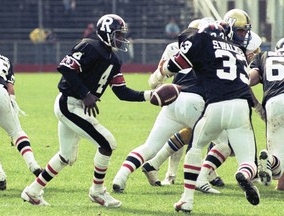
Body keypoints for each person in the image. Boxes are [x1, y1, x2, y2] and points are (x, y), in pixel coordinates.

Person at [21, 14, 152, 207]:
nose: (121, 39)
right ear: (106, 33)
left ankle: (32, 191)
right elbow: (66, 68)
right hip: (69, 103)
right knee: (107, 143)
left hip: (78, 106)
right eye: (118, 34)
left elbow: (122, 92)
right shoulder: (89, 46)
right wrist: (85, 94)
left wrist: (150, 95)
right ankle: (98, 191)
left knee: (66, 156)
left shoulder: (114, 60)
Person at [158, 20, 260, 213]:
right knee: (248, 161)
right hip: (240, 107)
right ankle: (243, 174)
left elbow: (173, 67)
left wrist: (162, 71)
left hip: (214, 105)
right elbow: (245, 80)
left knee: (195, 148)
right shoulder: (237, 49)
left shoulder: (201, 40)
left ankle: (187, 199)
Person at [112, 19, 206, 193]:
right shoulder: (212, 50)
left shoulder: (174, 48)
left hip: (172, 100)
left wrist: (162, 89)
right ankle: (203, 178)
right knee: (220, 141)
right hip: (196, 101)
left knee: (150, 146)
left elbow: (154, 80)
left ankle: (121, 176)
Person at [0, 48, 42, 190]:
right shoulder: (5, 59)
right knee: (16, 132)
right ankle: (33, 164)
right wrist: (13, 107)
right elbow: (10, 88)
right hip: (1, 92)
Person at [249, 37, 284, 188]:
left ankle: (270, 161)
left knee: (278, 154)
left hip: (274, 103)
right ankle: (271, 165)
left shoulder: (263, 56)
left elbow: (248, 80)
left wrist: (257, 106)